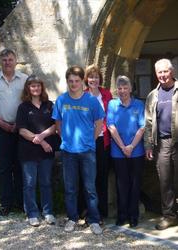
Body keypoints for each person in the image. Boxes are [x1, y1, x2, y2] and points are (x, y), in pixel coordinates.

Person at [52, 65, 105, 234]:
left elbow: (98, 123)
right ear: (67, 82)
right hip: (68, 151)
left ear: (82, 81)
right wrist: (65, 138)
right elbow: (58, 123)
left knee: (90, 188)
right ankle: (72, 218)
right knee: (70, 188)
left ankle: (94, 219)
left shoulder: (91, 101)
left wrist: (92, 140)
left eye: (76, 81)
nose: (73, 84)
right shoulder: (61, 100)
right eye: (70, 81)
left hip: (87, 151)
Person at [0, 49, 28, 216]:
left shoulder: (24, 80)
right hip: (0, 129)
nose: (7, 62)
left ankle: (20, 202)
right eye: (4, 60)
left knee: (19, 166)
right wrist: (1, 123)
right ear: (0, 62)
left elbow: (28, 103)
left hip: (20, 129)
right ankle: (5, 203)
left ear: (16, 61)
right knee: (3, 167)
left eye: (10, 59)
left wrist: (19, 123)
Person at [16, 75, 57, 227]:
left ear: (42, 87)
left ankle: (48, 212)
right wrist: (41, 141)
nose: (36, 88)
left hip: (47, 151)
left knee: (46, 182)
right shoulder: (23, 107)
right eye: (32, 86)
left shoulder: (49, 105)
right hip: (28, 152)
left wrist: (42, 136)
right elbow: (21, 130)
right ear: (28, 88)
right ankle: (32, 213)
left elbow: (55, 126)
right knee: (30, 183)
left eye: (38, 85)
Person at [107, 75, 145, 228]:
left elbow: (142, 127)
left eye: (125, 88)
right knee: (121, 184)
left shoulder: (139, 104)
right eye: (120, 88)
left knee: (135, 184)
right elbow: (111, 126)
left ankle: (133, 215)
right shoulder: (112, 104)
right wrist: (123, 147)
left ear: (130, 89)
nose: (122, 91)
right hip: (118, 152)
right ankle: (122, 215)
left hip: (137, 152)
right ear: (117, 90)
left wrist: (131, 147)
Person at [145, 58, 178, 230]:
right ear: (156, 74)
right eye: (160, 72)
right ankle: (170, 216)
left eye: (165, 71)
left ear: (171, 71)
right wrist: (148, 145)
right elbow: (149, 122)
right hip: (162, 143)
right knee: (165, 182)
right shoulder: (153, 95)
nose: (163, 75)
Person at [84, 64, 113, 221]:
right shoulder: (81, 95)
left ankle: (101, 212)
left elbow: (111, 116)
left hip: (103, 140)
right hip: (87, 142)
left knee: (101, 176)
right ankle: (88, 210)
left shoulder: (106, 95)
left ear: (99, 79)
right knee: (88, 177)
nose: (93, 79)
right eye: (90, 76)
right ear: (86, 79)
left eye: (96, 76)